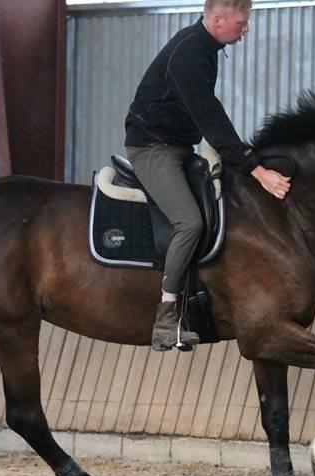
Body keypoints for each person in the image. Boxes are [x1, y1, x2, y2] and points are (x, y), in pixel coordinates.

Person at [125, 0, 291, 351]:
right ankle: (167, 317)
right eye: (242, 23)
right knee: (190, 223)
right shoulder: (189, 53)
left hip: (180, 147)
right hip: (153, 150)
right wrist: (255, 169)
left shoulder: (206, 48)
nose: (246, 30)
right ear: (218, 20)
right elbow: (209, 115)